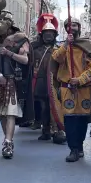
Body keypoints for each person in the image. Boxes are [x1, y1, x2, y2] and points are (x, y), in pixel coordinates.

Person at [50, 18, 91, 163]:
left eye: (74, 25)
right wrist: (67, 44)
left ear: (78, 27)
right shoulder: (62, 47)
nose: (71, 27)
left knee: (82, 119)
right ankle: (73, 149)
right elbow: (56, 59)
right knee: (69, 119)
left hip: (84, 89)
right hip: (67, 88)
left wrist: (79, 79)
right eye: (68, 25)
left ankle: (79, 147)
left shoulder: (87, 46)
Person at [0, 20, 30, 159]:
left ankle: (8, 142)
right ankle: (8, 139)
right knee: (1, 113)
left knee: (11, 112)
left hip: (13, 79)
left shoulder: (17, 40)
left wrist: (9, 53)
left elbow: (25, 60)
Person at [30, 14, 65, 144]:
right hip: (41, 82)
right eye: (46, 33)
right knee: (44, 107)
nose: (48, 35)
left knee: (55, 106)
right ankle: (46, 130)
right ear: (42, 34)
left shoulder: (59, 49)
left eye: (51, 33)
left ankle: (57, 130)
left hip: (55, 81)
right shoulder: (35, 48)